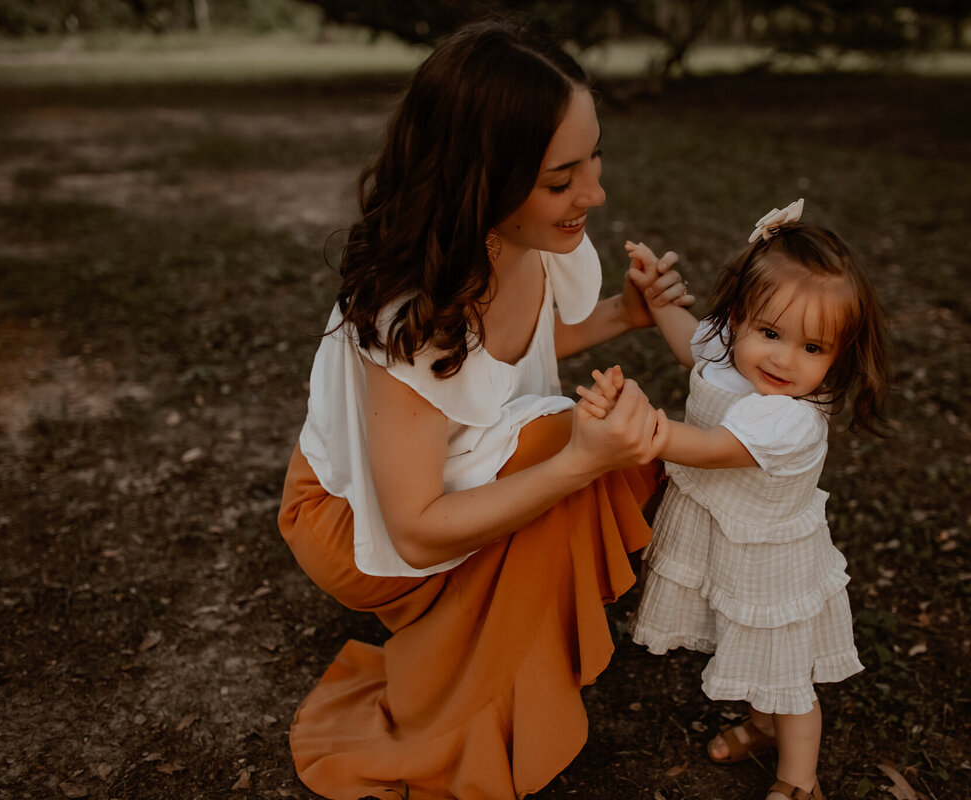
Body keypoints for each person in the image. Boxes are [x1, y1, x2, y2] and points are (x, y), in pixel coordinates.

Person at [277, 18, 694, 800]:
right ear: (481, 180)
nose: (594, 194)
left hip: (425, 493)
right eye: (560, 180)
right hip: (352, 524)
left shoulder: (531, 244)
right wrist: (576, 464)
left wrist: (621, 316)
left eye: (593, 159)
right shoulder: (416, 319)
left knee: (583, 435)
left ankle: (499, 638)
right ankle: (460, 706)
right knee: (569, 438)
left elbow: (522, 350)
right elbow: (413, 526)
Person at [578, 199, 890, 800]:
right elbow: (692, 348)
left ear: (841, 354)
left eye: (814, 349)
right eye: (770, 334)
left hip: (767, 559)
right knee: (747, 649)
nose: (782, 359)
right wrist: (660, 298)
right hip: (722, 536)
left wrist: (643, 428)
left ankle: (800, 780)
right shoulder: (730, 350)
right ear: (740, 318)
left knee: (785, 670)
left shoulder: (791, 423)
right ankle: (762, 724)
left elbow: (712, 447)